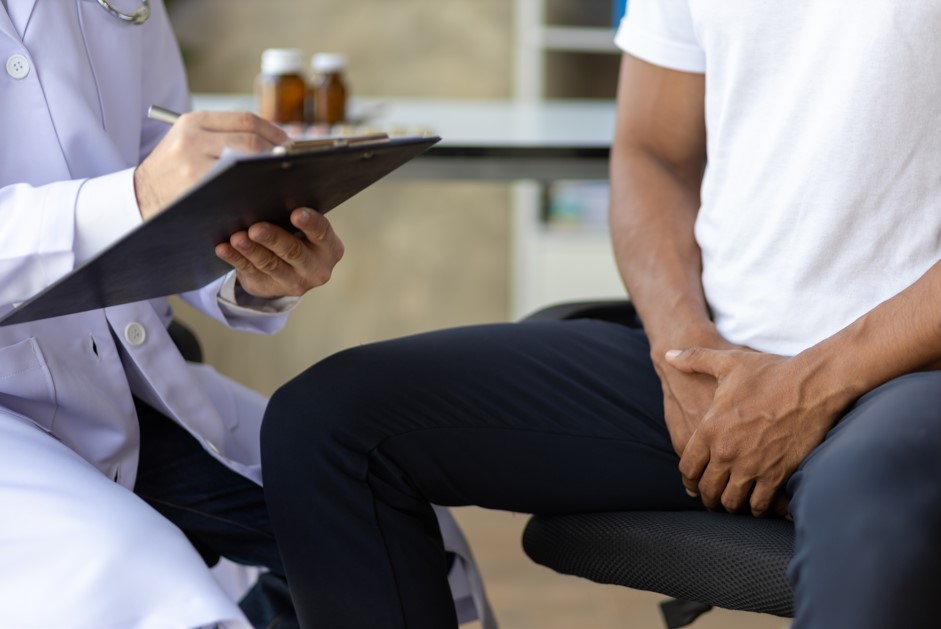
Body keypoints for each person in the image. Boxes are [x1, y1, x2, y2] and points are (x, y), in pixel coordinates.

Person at [258, 1, 941, 628]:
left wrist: (815, 383)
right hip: (712, 361)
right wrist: (680, 351)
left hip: (908, 374)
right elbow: (651, 154)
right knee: (330, 424)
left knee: (874, 504)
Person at [0, 2, 490, 627]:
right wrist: (136, 197)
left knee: (386, 527)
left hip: (116, 374)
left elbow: (154, 153)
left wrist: (249, 263)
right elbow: (136, 192)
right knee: (144, 593)